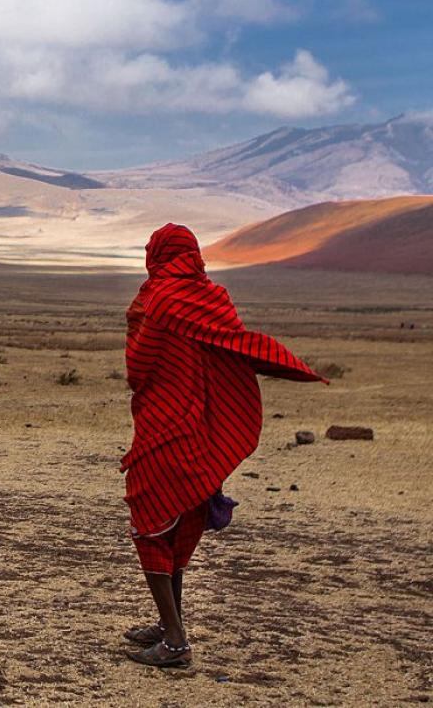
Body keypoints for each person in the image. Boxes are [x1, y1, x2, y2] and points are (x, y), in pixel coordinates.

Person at [120, 224, 325, 668]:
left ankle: (175, 642)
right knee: (176, 526)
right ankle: (167, 623)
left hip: (167, 429)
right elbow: (231, 347)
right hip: (202, 435)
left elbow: (138, 367)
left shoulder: (156, 301)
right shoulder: (213, 298)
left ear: (155, 255)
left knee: (150, 522)